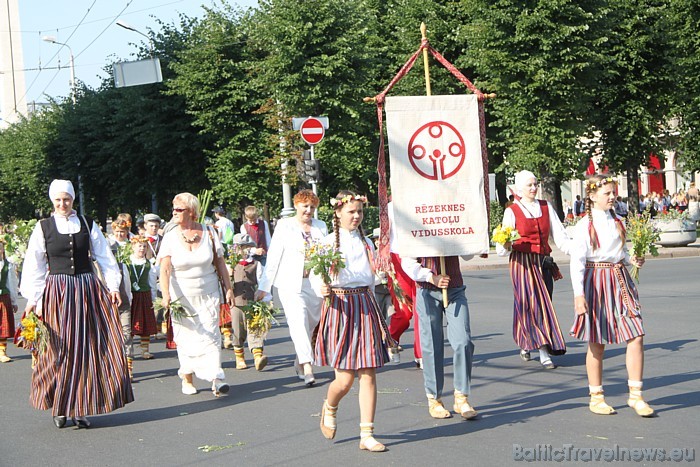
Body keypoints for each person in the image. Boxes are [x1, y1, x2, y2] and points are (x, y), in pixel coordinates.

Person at [20, 179, 133, 429]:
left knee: (85, 349)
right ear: (53, 201)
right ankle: (60, 407)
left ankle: (80, 406)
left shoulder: (87, 223)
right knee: (58, 350)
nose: (63, 204)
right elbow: (34, 265)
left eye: (67, 199)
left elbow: (104, 256)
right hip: (57, 293)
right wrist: (32, 299)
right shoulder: (43, 227)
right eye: (58, 200)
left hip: (86, 289)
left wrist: (113, 287)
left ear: (73, 199)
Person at [569, 174, 654, 417]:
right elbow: (577, 261)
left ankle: (636, 395)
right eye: (607, 193)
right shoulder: (584, 225)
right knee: (597, 341)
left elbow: (620, 252)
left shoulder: (617, 220)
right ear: (592, 196)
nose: (612, 196)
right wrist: (578, 295)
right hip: (596, 280)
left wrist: (632, 260)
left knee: (636, 333)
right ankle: (596, 397)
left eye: (612, 192)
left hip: (619, 279)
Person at [315, 191, 390, 453]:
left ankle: (367, 434)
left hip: (365, 304)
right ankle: (330, 405)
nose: (356, 216)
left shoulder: (368, 242)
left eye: (359, 211)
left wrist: (383, 272)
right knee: (345, 379)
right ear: (338, 213)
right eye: (351, 212)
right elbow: (316, 274)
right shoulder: (326, 244)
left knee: (368, 373)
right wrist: (321, 288)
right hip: (340, 306)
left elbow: (374, 276)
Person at [158, 192, 234, 397]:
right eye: (173, 208)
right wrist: (165, 295)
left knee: (211, 334)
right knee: (186, 337)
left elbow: (220, 263)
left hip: (208, 292)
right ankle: (188, 377)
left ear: (191, 212)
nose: (174, 212)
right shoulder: (170, 236)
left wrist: (228, 288)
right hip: (181, 295)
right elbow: (164, 269)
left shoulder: (209, 232)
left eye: (179, 209)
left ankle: (217, 379)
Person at [496, 170, 571, 369]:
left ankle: (526, 340)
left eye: (535, 184)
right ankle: (543, 350)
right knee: (531, 304)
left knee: (544, 303)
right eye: (529, 185)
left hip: (542, 261)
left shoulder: (546, 207)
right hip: (522, 263)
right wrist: (504, 244)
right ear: (520, 188)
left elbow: (560, 236)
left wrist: (576, 251)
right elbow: (503, 243)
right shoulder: (512, 211)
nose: (534, 188)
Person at [255, 189, 327, 386]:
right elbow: (274, 256)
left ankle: (299, 360)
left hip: (314, 284)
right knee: (297, 322)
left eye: (312, 207)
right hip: (289, 284)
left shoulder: (321, 226)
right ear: (296, 205)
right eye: (305, 206)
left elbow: (327, 255)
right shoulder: (285, 226)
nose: (308, 210)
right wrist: (264, 287)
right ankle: (308, 365)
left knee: (310, 325)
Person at [401, 250, 478, 420]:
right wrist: (430, 277)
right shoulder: (417, 227)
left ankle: (461, 397)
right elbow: (407, 262)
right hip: (427, 291)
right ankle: (434, 398)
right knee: (431, 345)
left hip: (455, 289)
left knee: (463, 341)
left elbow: (468, 253)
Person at [230, 233, 269, 371]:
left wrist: (264, 298)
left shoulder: (256, 263)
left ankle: (258, 356)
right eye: (242, 248)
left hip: (253, 302)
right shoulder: (231, 264)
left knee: (255, 328)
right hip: (236, 302)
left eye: (248, 247)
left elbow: (262, 280)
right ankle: (239, 357)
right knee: (238, 330)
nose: (245, 250)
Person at [128, 236, 159, 362]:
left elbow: (152, 282)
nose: (142, 248)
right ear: (133, 247)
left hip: (144, 295)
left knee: (145, 323)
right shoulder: (127, 262)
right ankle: (128, 350)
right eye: (139, 246)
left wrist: (153, 299)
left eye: (144, 246)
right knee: (129, 323)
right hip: (131, 296)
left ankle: (145, 350)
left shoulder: (149, 264)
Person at [0, 237, 19, 363]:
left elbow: (11, 283)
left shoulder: (7, 265)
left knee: (3, 325)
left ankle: (2, 351)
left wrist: (14, 301)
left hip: (3, 298)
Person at [241, 205, 272, 276]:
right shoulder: (243, 227)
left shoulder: (264, 224)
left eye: (254, 220)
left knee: (265, 275)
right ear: (246, 217)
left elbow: (268, 239)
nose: (252, 222)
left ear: (257, 216)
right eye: (250, 220)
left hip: (264, 254)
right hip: (251, 256)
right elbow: (245, 244)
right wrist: (254, 250)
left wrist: (270, 252)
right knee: (254, 276)